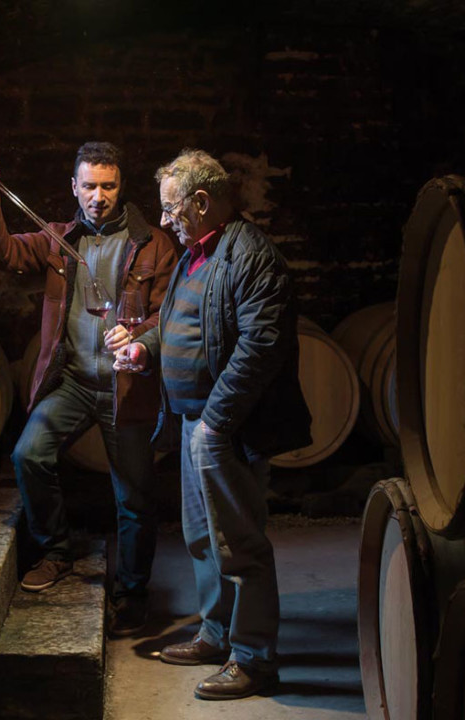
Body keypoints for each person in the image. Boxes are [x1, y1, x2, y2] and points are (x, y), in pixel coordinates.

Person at [115, 149, 311, 698]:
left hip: (226, 427)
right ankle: (215, 633)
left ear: (202, 202)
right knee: (202, 539)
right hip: (195, 422)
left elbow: (261, 346)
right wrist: (145, 352)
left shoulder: (252, 256)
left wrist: (216, 423)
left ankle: (253, 659)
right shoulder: (195, 254)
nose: (165, 221)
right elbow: (179, 322)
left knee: (240, 544)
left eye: (172, 209)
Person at [0, 141, 177, 636]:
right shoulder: (60, 240)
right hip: (76, 383)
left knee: (134, 498)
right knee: (28, 455)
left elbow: (169, 313)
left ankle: (132, 593)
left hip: (128, 390)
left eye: (108, 185)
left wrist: (142, 336)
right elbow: (3, 255)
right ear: (74, 188)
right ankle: (55, 550)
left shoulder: (154, 245)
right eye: (89, 186)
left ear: (121, 187)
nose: (98, 196)